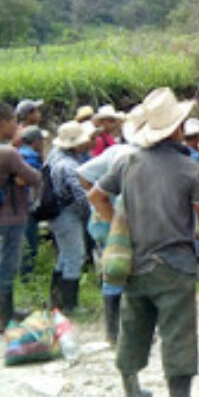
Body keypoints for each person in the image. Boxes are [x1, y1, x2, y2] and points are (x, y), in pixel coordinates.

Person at [88, 87, 199, 397]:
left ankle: (132, 393)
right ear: (178, 127)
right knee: (177, 330)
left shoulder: (128, 162)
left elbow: (96, 196)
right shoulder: (191, 170)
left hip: (134, 261)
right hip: (175, 264)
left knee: (134, 324)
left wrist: (120, 227)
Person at [0, 104, 42, 333]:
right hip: (10, 216)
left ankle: (6, 311)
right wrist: (20, 173)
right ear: (3, 122)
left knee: (2, 263)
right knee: (7, 266)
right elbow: (34, 177)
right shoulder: (7, 153)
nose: (18, 126)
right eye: (14, 121)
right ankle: (5, 319)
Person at [77, 141, 138, 345]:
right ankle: (121, 330)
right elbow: (94, 192)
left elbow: (83, 173)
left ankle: (113, 330)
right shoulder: (134, 155)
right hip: (114, 219)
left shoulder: (116, 150)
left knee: (112, 270)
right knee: (121, 270)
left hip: (104, 218)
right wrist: (114, 220)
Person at [47, 121, 96, 313]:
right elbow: (81, 197)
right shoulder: (68, 165)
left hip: (56, 213)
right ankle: (69, 304)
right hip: (67, 213)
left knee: (64, 257)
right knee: (75, 256)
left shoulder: (53, 157)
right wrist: (89, 216)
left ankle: (56, 300)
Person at [18, 126, 46, 282]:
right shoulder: (31, 158)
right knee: (30, 242)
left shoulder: (19, 154)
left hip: (19, 205)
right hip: (28, 205)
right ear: (36, 141)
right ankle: (27, 278)